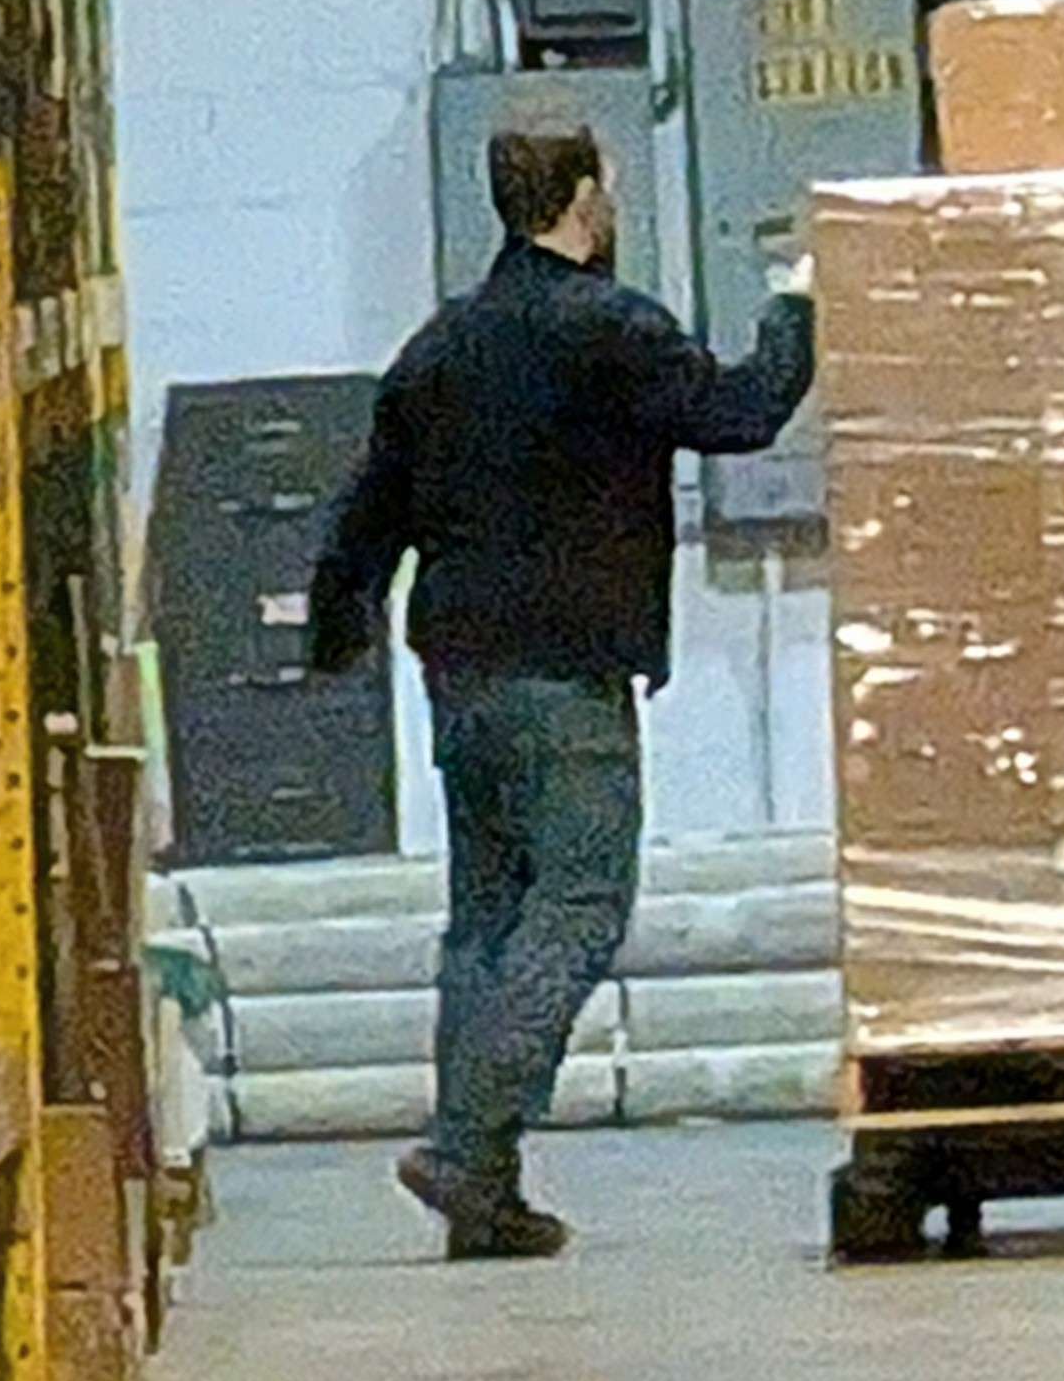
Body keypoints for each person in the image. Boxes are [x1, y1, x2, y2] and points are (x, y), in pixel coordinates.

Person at [307, 126, 815, 1258]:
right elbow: (740, 414)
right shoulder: (612, 329)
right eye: (610, 188)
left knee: (486, 922)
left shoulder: (439, 346)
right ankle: (463, 1145)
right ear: (584, 198)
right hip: (567, 677)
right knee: (582, 904)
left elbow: (368, 514)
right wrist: (798, 305)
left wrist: (335, 634)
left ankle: (482, 1193)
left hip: (460, 677)